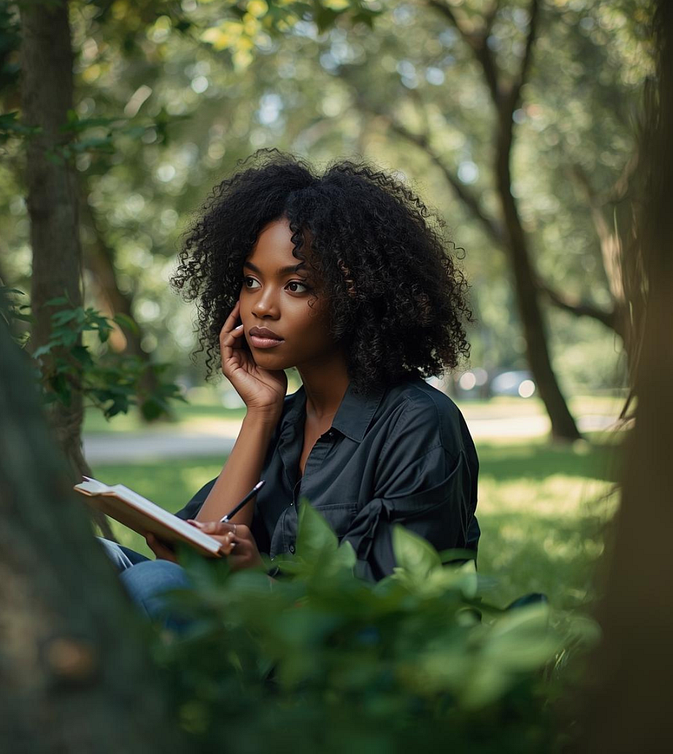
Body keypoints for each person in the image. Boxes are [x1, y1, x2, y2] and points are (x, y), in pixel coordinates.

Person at [98, 150, 480, 631]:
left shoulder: (419, 424)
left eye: (295, 285)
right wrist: (260, 413)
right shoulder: (282, 419)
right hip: (241, 635)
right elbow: (187, 564)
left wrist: (256, 579)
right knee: (91, 557)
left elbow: (391, 617)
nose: (262, 306)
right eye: (251, 281)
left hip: (331, 676)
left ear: (356, 293)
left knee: (150, 586)